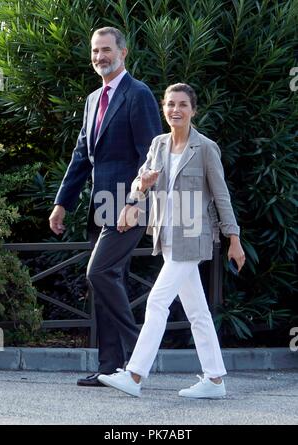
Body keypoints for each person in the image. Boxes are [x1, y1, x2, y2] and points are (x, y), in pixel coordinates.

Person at [98, 83, 245, 398]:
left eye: (182, 105)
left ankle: (135, 375)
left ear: (193, 110)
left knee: (157, 301)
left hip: (192, 236)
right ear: (164, 109)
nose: (176, 110)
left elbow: (221, 195)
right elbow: (140, 183)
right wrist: (142, 184)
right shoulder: (158, 144)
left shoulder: (205, 148)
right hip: (165, 234)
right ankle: (215, 379)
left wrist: (234, 237)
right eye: (170, 104)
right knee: (198, 312)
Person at [49, 27, 162, 387]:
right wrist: (61, 204)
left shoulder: (138, 94)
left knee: (98, 273)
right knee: (108, 281)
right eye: (96, 51)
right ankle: (111, 367)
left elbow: (152, 157)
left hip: (129, 206)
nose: (100, 56)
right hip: (101, 204)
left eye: (107, 50)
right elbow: (81, 156)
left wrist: (134, 203)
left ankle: (138, 355)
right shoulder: (93, 99)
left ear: (123, 53)